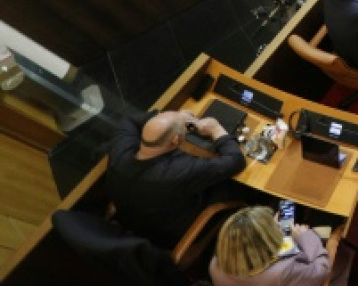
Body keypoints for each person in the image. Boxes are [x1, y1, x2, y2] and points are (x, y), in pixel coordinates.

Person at [106, 107, 246, 249]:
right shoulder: (179, 170)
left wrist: (170, 118)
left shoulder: (119, 150)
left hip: (135, 220)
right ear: (176, 140)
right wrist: (216, 129)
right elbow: (236, 161)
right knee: (235, 186)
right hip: (170, 236)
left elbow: (129, 120)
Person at [210, 205, 345, 286]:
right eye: (274, 226)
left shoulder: (216, 263)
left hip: (270, 260)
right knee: (325, 217)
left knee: (286, 207)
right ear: (267, 242)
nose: (277, 225)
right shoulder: (282, 272)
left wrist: (275, 229)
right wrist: (306, 237)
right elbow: (322, 269)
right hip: (301, 259)